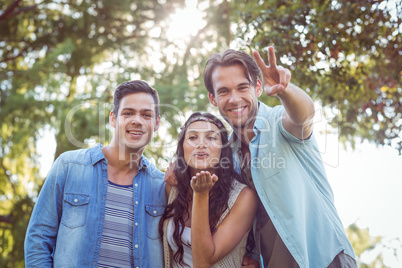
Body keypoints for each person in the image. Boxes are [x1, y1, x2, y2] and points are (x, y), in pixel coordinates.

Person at [203, 47, 357, 267]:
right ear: (213, 98)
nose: (234, 99)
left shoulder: (278, 122)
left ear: (257, 87)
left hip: (324, 258)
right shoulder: (226, 154)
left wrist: (285, 90)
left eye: (242, 87)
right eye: (224, 91)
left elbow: (304, 114)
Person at [24, 80, 166, 267]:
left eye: (146, 115)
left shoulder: (162, 185)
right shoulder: (69, 166)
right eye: (128, 113)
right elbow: (38, 240)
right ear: (113, 118)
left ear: (156, 124)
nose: (137, 120)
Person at [159, 112, 258, 267]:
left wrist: (201, 195)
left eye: (211, 137)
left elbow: (203, 261)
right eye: (192, 137)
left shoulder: (243, 197)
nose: (201, 144)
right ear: (182, 147)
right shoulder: (174, 187)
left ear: (223, 149)